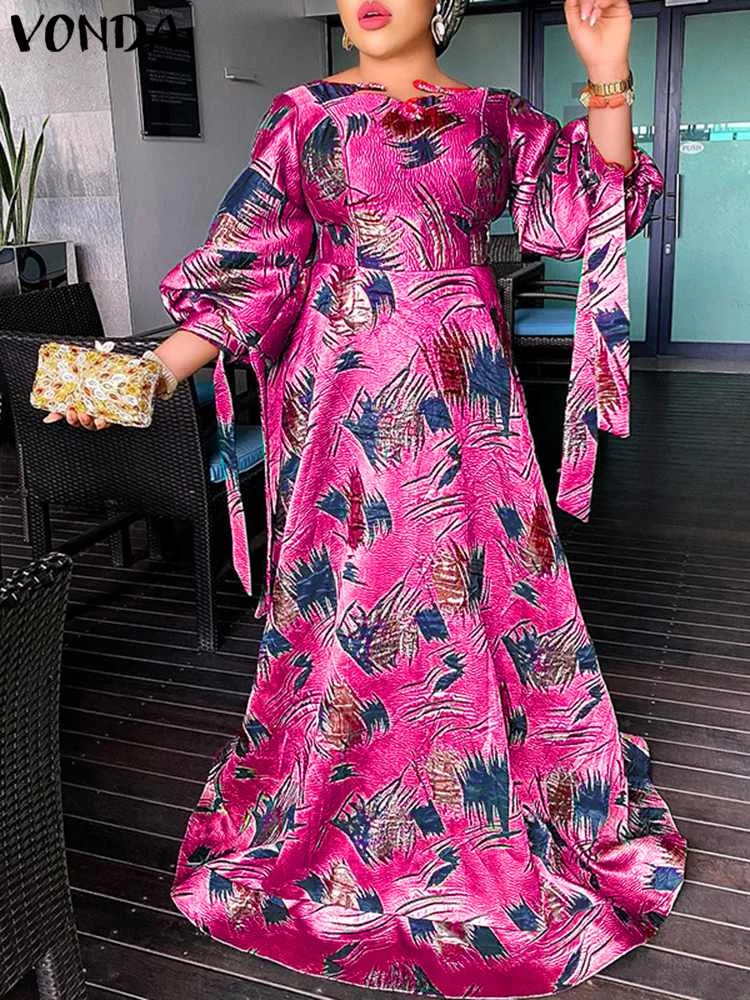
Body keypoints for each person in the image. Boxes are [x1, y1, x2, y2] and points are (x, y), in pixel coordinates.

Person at [47, 0, 687, 995]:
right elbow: (251, 271)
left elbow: (589, 212)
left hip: (466, 399)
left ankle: (478, 812)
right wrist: (152, 373)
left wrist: (610, 76)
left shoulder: (496, 116)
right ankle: (343, 808)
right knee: (355, 596)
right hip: (339, 403)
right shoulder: (303, 116)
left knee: (473, 594)